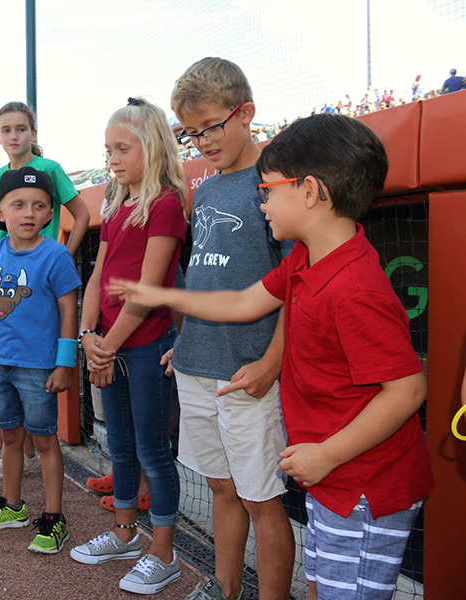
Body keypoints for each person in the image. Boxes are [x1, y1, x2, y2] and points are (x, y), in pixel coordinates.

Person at [110, 112, 434, 600]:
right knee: (323, 588)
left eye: (268, 191)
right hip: (335, 481)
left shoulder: (354, 286)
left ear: (309, 191)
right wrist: (162, 297)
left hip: (365, 488)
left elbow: (409, 389)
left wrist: (327, 453)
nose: (261, 203)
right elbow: (243, 302)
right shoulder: (307, 256)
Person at [168, 57, 295, 600]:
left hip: (247, 370)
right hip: (196, 363)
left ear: (245, 113)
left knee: (260, 497)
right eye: (190, 134)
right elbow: (204, 275)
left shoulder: (278, 182)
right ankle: (224, 589)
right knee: (221, 487)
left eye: (210, 128)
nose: (201, 143)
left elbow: (299, 284)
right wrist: (184, 342)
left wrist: (272, 361)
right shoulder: (206, 189)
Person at [68, 98, 186, 595]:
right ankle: (124, 533)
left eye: (122, 148)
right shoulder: (116, 206)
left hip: (143, 347)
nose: (112, 158)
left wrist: (106, 347)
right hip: (110, 347)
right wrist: (88, 335)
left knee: (154, 452)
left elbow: (148, 286)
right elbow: (99, 274)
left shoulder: (165, 204)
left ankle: (164, 552)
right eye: (107, 150)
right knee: (119, 446)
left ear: (151, 146)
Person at [0, 100, 90, 477]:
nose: (15, 136)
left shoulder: (50, 169)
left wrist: (65, 254)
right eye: (7, 130)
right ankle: (0, 442)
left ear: (34, 133)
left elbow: (83, 215)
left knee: (32, 369)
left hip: (37, 284)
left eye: (21, 128)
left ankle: (24, 449)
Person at [0, 166, 80, 555]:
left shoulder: (56, 255)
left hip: (38, 366)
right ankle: (12, 507)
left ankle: (53, 517)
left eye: (39, 205)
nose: (29, 213)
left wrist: (65, 362)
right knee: (11, 437)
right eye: (18, 205)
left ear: (51, 214)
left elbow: (70, 312)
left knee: (46, 441)